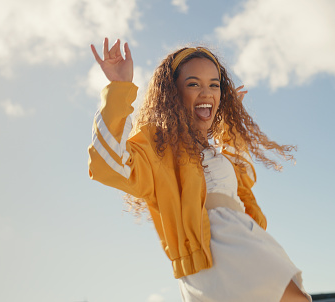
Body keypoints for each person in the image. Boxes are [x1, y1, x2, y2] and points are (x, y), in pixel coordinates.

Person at [88, 37, 312, 302]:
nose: (206, 92)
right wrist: (119, 86)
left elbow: (244, 177)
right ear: (172, 93)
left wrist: (230, 123)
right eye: (193, 84)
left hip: (244, 238)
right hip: (210, 251)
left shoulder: (219, 153)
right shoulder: (160, 149)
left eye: (214, 85)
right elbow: (109, 163)